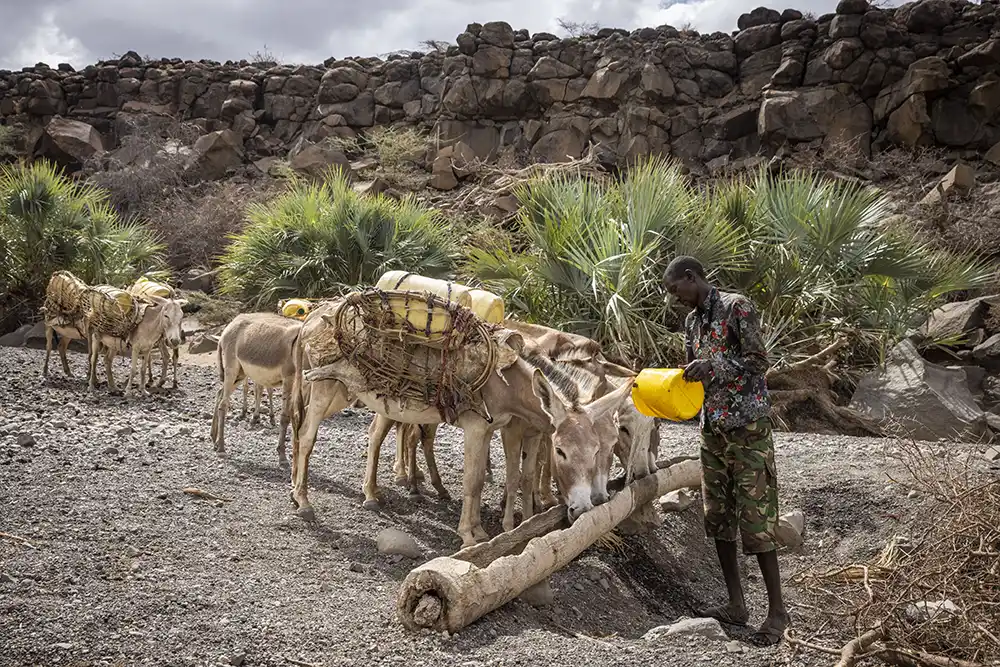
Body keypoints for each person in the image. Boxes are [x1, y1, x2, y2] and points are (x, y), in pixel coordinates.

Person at [662, 255, 790, 646]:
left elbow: (758, 361)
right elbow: (695, 372)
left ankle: (777, 614)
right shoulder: (691, 322)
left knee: (757, 519)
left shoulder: (737, 306)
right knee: (717, 518)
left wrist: (713, 367)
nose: (675, 299)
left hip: (748, 428)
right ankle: (736, 605)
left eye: (675, 290)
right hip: (712, 430)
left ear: (691, 277)